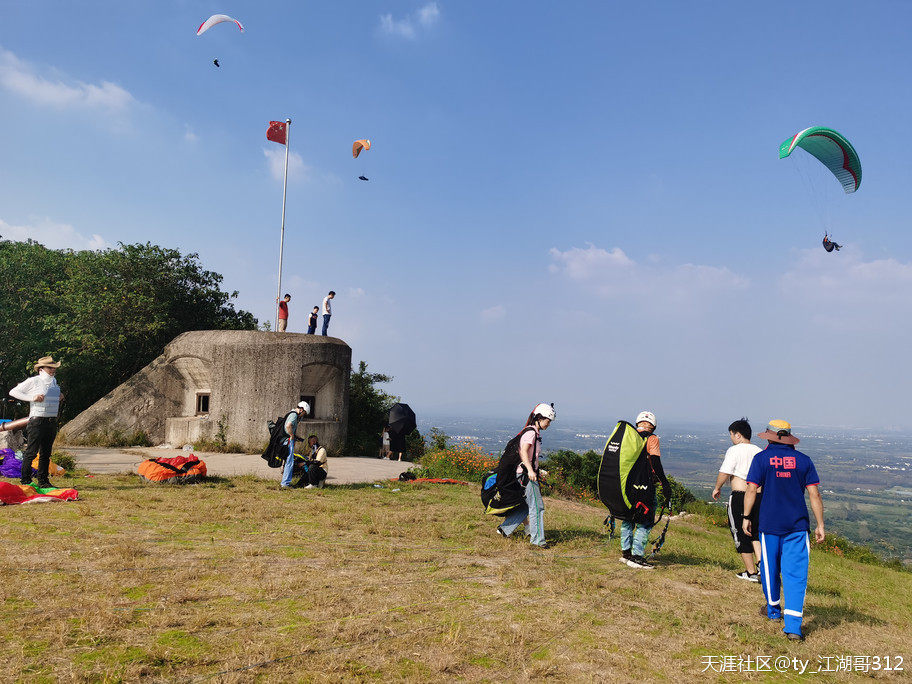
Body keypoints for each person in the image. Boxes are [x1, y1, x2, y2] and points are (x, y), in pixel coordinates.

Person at [743, 420, 825, 642]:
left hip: (769, 525)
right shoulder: (804, 461)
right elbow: (814, 494)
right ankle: (794, 628)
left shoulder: (761, 459)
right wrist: (820, 524)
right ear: (789, 438)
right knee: (795, 574)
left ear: (769, 437)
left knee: (770, 569)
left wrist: (746, 517)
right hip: (797, 526)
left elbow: (751, 489)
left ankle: (773, 610)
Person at [496, 403, 555, 549]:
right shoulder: (531, 433)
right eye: (548, 420)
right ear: (540, 418)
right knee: (537, 507)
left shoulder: (532, 432)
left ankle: (505, 529)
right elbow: (523, 452)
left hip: (523, 474)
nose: (549, 424)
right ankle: (537, 541)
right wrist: (530, 470)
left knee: (526, 506)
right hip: (526, 475)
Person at [712, 418, 762, 581]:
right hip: (759, 496)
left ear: (738, 435)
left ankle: (751, 572)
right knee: (755, 532)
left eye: (732, 435)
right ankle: (762, 568)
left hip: (741, 495)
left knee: (740, 532)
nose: (731, 438)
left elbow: (725, 471)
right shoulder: (759, 451)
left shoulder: (734, 450)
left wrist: (717, 487)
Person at [620, 411, 672, 570]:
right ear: (653, 426)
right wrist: (665, 483)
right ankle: (637, 556)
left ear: (637, 423)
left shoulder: (628, 437)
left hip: (627, 486)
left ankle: (626, 553)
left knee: (628, 517)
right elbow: (655, 461)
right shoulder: (652, 438)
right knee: (646, 519)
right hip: (645, 486)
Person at [9, 356, 64, 489]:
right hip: (37, 420)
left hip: (51, 420)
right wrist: (31, 398)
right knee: (31, 452)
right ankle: (26, 480)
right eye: (50, 367)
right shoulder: (34, 381)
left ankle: (43, 481)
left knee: (46, 453)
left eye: (54, 368)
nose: (53, 370)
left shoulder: (53, 381)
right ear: (41, 369)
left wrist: (60, 396)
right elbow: (13, 392)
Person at [280, 401, 309, 488]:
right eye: (304, 413)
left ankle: (285, 482)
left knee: (289, 461)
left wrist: (295, 436)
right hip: (288, 441)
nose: (303, 415)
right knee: (290, 462)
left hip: (287, 440)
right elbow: (288, 426)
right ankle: (285, 483)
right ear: (301, 409)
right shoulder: (294, 415)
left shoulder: (291, 413)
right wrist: (292, 436)